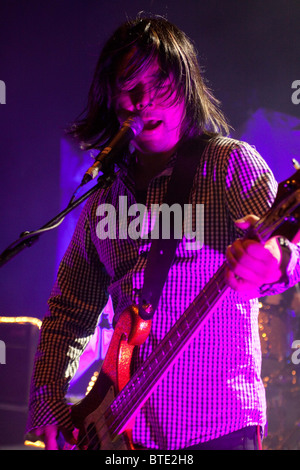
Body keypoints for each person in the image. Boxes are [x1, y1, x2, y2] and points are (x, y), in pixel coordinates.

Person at [26, 14, 300, 450]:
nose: (143, 99)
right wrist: (47, 401)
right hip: (118, 430)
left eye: (158, 83)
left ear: (186, 86)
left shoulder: (229, 164)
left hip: (216, 426)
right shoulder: (103, 200)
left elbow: (287, 254)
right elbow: (69, 310)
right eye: (127, 86)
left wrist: (277, 261)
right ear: (111, 99)